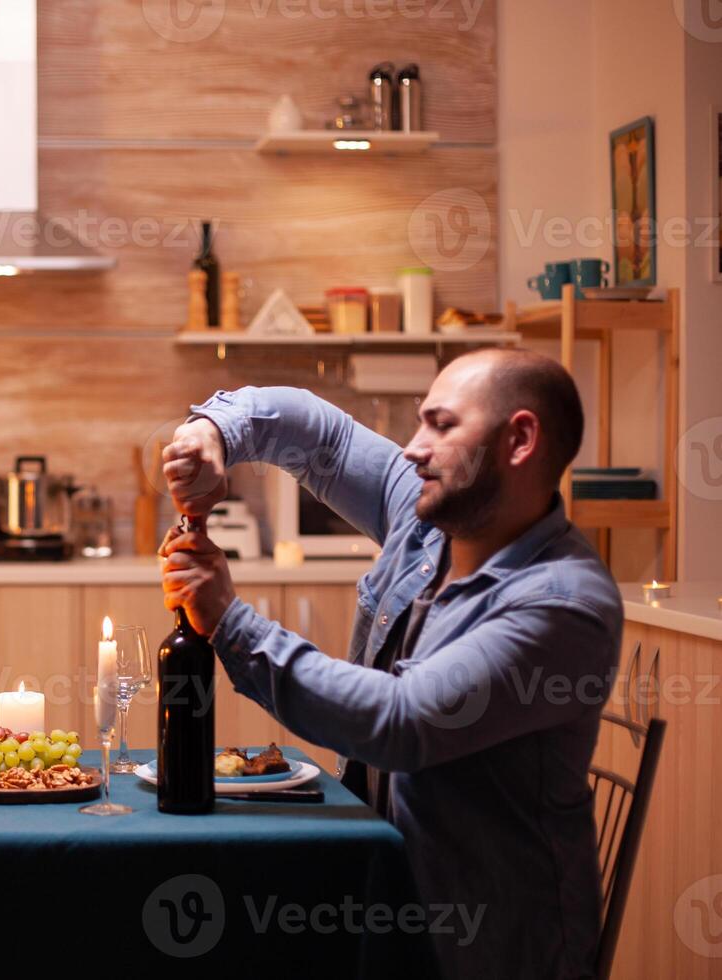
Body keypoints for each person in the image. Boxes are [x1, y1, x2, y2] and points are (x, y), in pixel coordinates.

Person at [159, 348, 621, 980]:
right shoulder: (432, 518)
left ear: (520, 440)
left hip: (481, 947)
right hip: (379, 899)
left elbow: (404, 720)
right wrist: (210, 434)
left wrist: (230, 620)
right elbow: (312, 429)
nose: (412, 447)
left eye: (441, 425)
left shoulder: (562, 605)